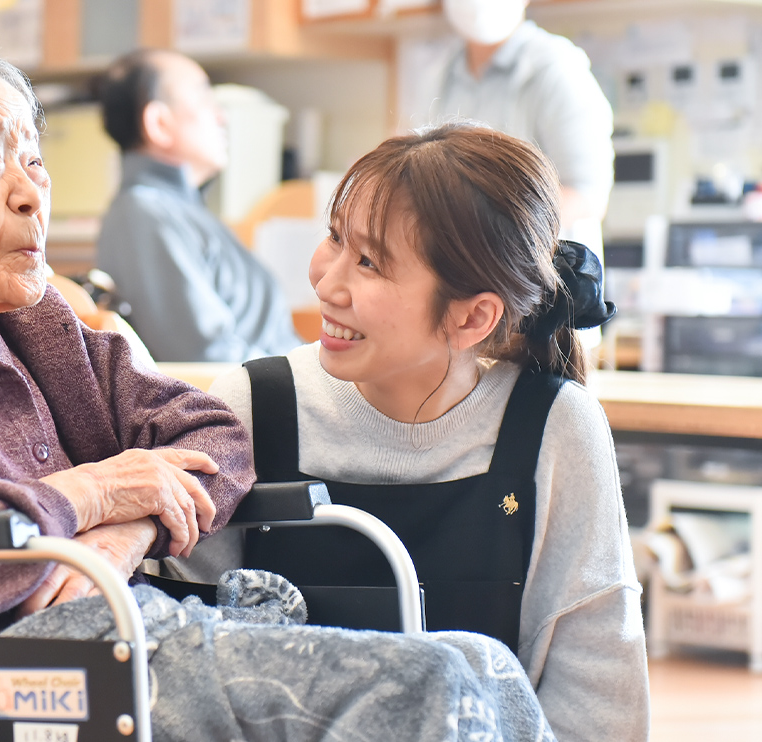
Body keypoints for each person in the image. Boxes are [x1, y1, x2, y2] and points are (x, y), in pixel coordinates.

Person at [0, 38, 556, 740]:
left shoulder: (35, 326)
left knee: (481, 663)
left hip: (109, 628)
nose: (34, 192)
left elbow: (217, 434)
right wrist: (94, 490)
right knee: (426, 688)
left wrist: (127, 530)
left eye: (34, 157)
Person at [209, 123, 648, 741]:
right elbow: (187, 665)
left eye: (368, 262)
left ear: (471, 317)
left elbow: (598, 690)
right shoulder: (250, 409)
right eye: (334, 238)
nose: (327, 282)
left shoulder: (554, 429)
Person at [96, 49, 303, 363]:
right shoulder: (144, 215)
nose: (222, 116)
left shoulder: (179, 209)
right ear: (159, 123)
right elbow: (206, 357)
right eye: (206, 99)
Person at [430, 0, 613, 239]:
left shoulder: (559, 70)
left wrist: (491, 227)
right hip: (458, 269)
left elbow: (588, 196)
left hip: (541, 269)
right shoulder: (437, 76)